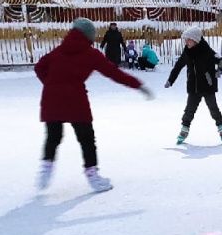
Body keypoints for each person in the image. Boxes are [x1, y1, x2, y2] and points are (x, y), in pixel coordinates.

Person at [35, 17, 153, 193]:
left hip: (51, 98)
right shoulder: (91, 54)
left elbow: (39, 67)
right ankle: (93, 176)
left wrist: (51, 83)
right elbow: (114, 73)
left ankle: (45, 171)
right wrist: (138, 85)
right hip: (76, 100)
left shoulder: (59, 50)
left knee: (53, 136)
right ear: (89, 36)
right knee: (86, 139)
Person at [166, 25, 222, 145]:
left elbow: (221, 61)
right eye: (185, 40)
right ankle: (184, 130)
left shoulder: (207, 51)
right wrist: (171, 80)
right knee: (189, 110)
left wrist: (220, 69)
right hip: (193, 87)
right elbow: (178, 66)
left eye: (188, 39)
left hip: (207, 85)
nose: (186, 42)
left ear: (195, 40)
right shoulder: (187, 53)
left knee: (213, 109)